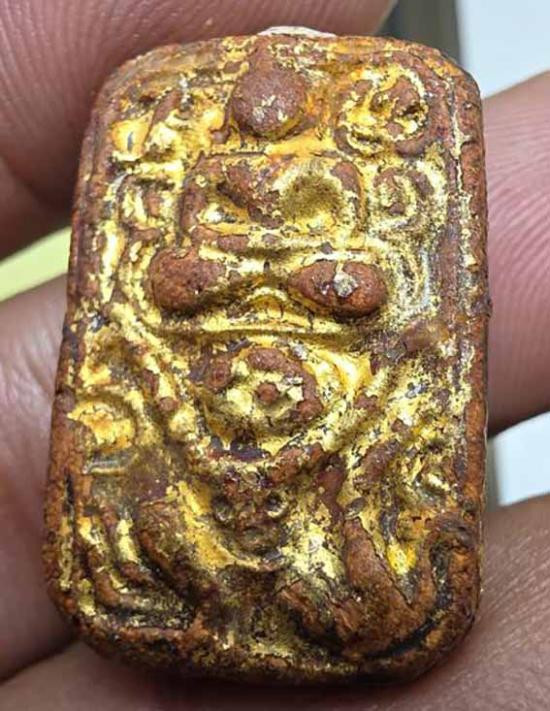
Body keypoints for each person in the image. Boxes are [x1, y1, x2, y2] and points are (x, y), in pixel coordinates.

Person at [0, 2, 548, 708]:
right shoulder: (209, 165)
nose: (263, 115)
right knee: (173, 277)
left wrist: (286, 265)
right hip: (229, 286)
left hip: (311, 284)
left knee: (361, 285)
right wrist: (244, 261)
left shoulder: (335, 169)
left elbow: (352, 252)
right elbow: (184, 256)